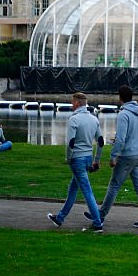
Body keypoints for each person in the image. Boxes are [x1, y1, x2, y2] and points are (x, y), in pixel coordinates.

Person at [47, 92, 104, 232]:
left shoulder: (74, 120)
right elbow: (101, 142)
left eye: (73, 102)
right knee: (73, 189)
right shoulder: (94, 119)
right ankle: (60, 218)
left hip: (76, 159)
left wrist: (68, 158)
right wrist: (96, 160)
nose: (72, 105)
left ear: (77, 103)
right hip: (88, 158)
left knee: (87, 191)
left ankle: (98, 223)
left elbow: (70, 143)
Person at [97, 85, 138, 229]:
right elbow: (134, 134)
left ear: (120, 97)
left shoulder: (123, 115)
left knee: (114, 185)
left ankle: (100, 216)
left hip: (126, 156)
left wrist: (113, 155)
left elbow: (121, 138)